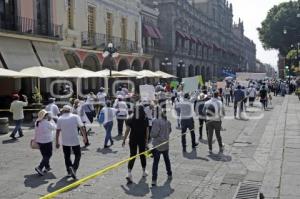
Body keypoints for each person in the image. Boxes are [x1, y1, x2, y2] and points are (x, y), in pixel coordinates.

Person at [56, 105, 88, 179]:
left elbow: (58, 131)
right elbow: (82, 127)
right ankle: (73, 168)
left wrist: (57, 142)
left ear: (63, 111)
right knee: (78, 155)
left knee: (67, 156)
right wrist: (85, 137)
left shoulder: (60, 118)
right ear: (70, 110)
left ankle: (69, 171)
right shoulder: (75, 116)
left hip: (65, 141)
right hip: (74, 140)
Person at [122, 106, 149, 184]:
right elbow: (147, 130)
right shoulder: (145, 118)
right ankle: (144, 171)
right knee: (142, 155)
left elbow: (127, 130)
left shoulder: (131, 118)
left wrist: (124, 140)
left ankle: (129, 173)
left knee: (132, 155)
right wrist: (146, 140)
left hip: (133, 139)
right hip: (142, 139)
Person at [150, 109, 172, 186]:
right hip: (165, 144)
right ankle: (169, 174)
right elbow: (170, 130)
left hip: (157, 145)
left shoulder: (156, 121)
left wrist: (151, 134)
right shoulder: (167, 121)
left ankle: (154, 180)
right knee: (167, 160)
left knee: (155, 163)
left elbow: (154, 134)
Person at [34, 110, 56, 176]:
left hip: (40, 141)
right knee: (49, 154)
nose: (48, 116)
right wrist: (52, 120)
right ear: (44, 116)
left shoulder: (37, 122)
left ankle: (47, 167)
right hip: (47, 141)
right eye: (47, 115)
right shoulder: (47, 122)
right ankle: (40, 167)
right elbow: (54, 127)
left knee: (44, 155)